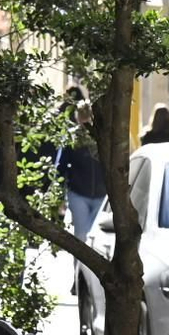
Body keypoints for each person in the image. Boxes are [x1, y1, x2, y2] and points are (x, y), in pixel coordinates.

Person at [60, 101, 107, 239]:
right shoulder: (72, 138)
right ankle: (79, 261)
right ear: (78, 118)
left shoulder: (101, 136)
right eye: (82, 116)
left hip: (101, 193)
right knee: (81, 234)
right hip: (78, 193)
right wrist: (60, 196)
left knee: (95, 235)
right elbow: (61, 165)